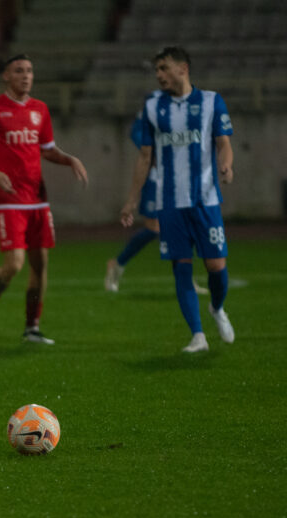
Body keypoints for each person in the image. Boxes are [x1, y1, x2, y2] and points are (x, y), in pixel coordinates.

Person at [0, 53, 88, 345]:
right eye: (19, 71)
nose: (26, 76)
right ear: (6, 76)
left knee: (40, 266)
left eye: (30, 71)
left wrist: (70, 159)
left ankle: (32, 328)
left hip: (38, 199)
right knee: (14, 264)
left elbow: (47, 149)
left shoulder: (40, 109)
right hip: (8, 199)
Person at [120, 46, 235, 353]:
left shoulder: (211, 101)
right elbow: (145, 157)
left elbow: (224, 143)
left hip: (205, 200)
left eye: (164, 68)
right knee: (181, 267)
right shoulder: (153, 106)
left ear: (183, 69)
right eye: (157, 70)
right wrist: (132, 200)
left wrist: (226, 165)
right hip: (169, 203)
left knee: (216, 267)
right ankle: (198, 335)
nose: (159, 75)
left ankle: (217, 308)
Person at [105, 95, 209, 295]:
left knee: (184, 227)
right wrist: (153, 152)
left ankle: (186, 280)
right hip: (156, 178)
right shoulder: (153, 106)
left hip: (179, 178)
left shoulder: (183, 107)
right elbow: (137, 133)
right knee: (154, 228)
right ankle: (117, 264)